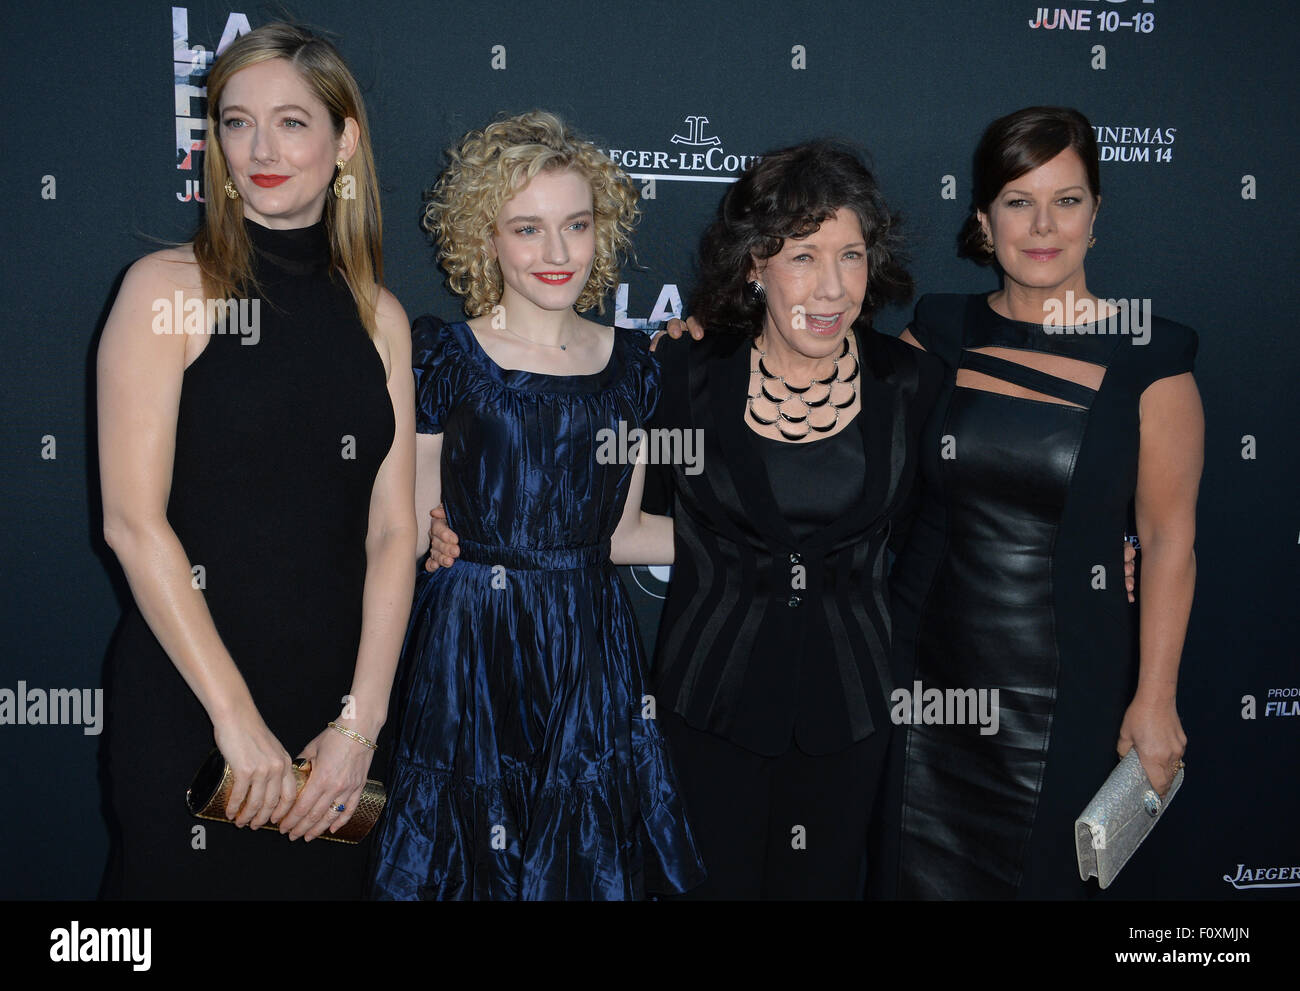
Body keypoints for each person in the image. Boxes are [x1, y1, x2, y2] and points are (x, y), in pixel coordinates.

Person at [426, 140, 942, 898]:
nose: (831, 287)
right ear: (754, 265)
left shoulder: (914, 383)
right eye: (803, 256)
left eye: (853, 255)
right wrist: (463, 535)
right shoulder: (681, 372)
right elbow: (611, 521)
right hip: (708, 709)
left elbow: (937, 538)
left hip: (850, 715)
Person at [97, 23, 415, 899]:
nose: (262, 149)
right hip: (190, 702)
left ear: (344, 139)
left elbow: (394, 531)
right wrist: (233, 721)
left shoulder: (379, 316)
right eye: (237, 123)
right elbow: (131, 522)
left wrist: (360, 725)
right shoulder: (166, 290)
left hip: (333, 722)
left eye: (292, 122)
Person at [366, 110, 705, 900]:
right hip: (467, 641)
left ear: (602, 228)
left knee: (581, 853)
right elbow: (410, 525)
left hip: (589, 643)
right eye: (527, 228)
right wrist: (438, 537)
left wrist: (744, 541)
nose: (556, 253)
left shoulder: (634, 368)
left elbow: (623, 535)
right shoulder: (444, 356)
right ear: (486, 238)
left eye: (576, 225)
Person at [873, 105, 1202, 899]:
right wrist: (706, 332)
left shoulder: (1149, 356)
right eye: (1019, 201)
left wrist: (1155, 699)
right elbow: (828, 424)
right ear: (985, 220)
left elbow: (1168, 541)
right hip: (924, 679)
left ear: (1097, 214)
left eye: (1068, 200)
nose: (1043, 225)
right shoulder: (940, 333)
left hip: (1067, 688)